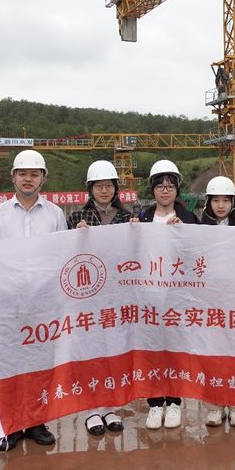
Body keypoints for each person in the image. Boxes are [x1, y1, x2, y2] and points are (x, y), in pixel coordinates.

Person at [0, 149, 67, 450]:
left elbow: (62, 255)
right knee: (9, 363)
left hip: (44, 302)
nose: (28, 179)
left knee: (40, 363)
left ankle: (36, 421)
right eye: (22, 174)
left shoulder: (55, 214)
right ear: (13, 177)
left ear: (43, 178)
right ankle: (12, 423)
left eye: (34, 174)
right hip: (9, 303)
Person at [68, 160, 132, 436]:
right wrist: (76, 236)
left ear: (116, 188)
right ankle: (91, 409)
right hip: (88, 296)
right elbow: (66, 255)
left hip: (116, 296)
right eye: (99, 186)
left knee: (113, 351)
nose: (104, 190)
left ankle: (111, 406)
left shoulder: (128, 218)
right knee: (90, 351)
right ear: (90, 189)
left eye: (109, 185)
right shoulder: (76, 218)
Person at [136, 159, 199, 429]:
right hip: (149, 295)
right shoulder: (142, 218)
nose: (165, 191)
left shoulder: (188, 218)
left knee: (175, 350)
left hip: (178, 296)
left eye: (170, 186)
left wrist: (182, 233)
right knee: (152, 349)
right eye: (160, 186)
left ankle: (174, 402)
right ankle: (154, 402)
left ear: (177, 190)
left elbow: (198, 255)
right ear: (153, 189)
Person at [199, 175, 235, 428]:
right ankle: (214, 405)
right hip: (210, 301)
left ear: (233, 203)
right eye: (215, 200)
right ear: (208, 203)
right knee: (212, 353)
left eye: (226, 200)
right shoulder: (199, 230)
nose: (220, 205)